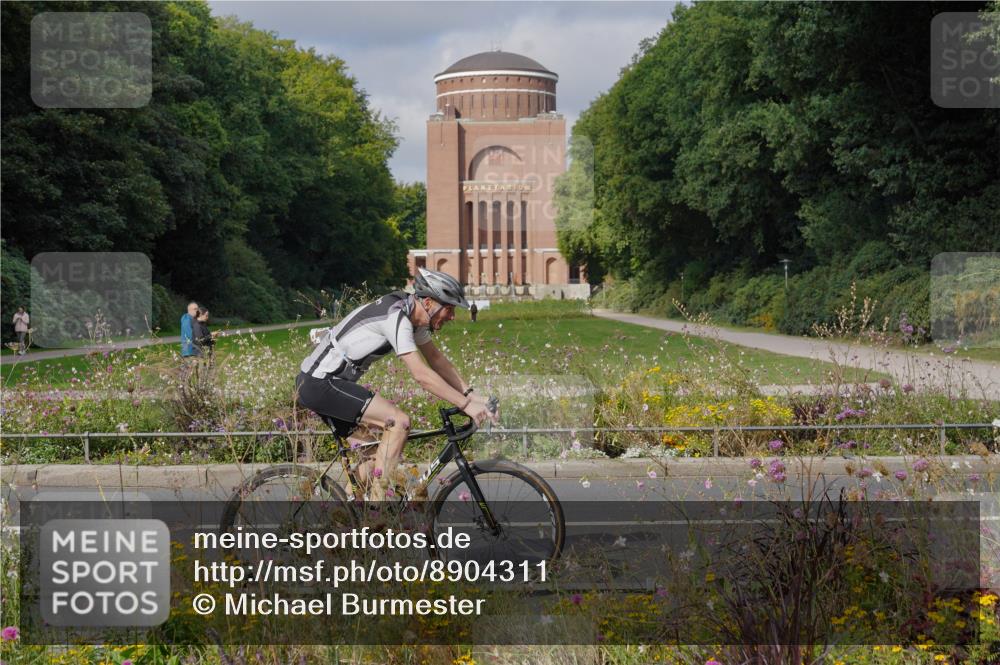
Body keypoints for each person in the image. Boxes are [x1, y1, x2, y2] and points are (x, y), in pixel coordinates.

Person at [297, 268, 496, 500]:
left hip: (330, 382)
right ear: (429, 303)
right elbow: (421, 374)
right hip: (321, 382)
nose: (452, 316)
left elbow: (436, 360)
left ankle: (344, 521)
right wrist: (465, 405)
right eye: (449, 308)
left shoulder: (415, 319)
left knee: (374, 458)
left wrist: (471, 396)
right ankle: (377, 514)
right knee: (399, 423)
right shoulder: (396, 316)